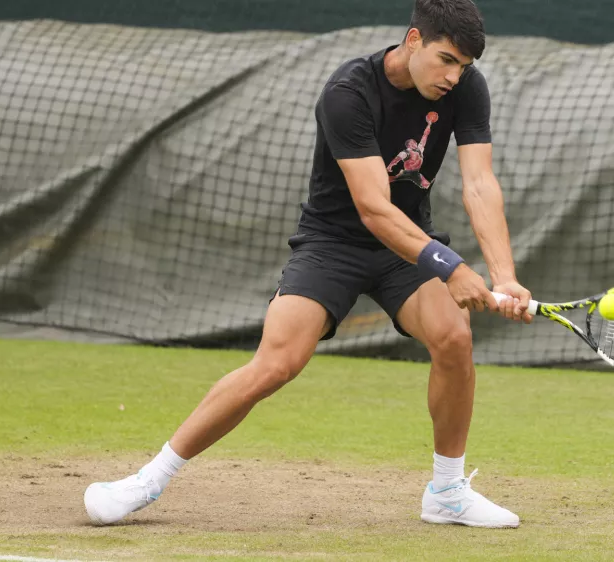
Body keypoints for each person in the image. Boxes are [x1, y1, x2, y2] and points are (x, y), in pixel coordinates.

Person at [84, 0, 533, 529]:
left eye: (465, 66)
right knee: (276, 364)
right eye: (446, 60)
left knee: (455, 339)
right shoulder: (349, 92)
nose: (454, 76)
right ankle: (148, 480)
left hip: (404, 248)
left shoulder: (466, 89)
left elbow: (480, 184)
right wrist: (451, 266)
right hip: (333, 243)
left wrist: (504, 276)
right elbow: (373, 208)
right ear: (413, 40)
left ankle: (447, 492)